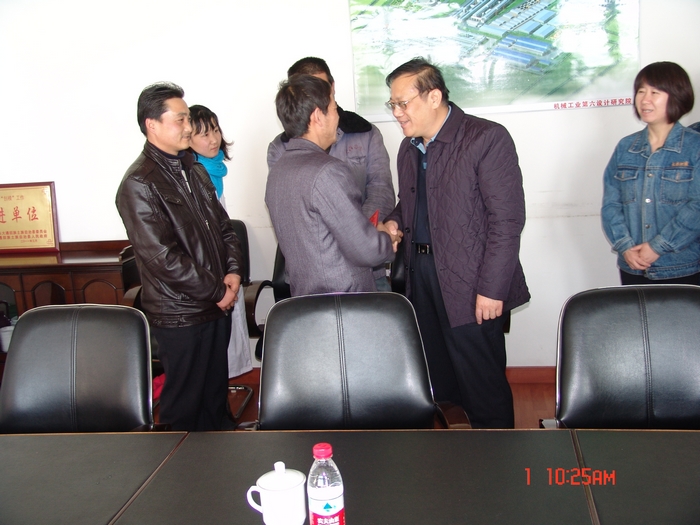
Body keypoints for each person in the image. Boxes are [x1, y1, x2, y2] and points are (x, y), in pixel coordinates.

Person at [383, 58, 530, 429]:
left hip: (472, 281)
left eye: (403, 103)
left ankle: (496, 456)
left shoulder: (485, 138)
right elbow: (411, 202)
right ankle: (455, 454)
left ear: (434, 97)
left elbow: (507, 221)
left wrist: (492, 289)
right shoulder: (409, 149)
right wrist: (395, 220)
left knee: (481, 384)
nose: (397, 113)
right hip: (422, 277)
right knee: (440, 381)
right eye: (393, 104)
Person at [116, 82, 243, 431]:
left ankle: (220, 457)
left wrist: (233, 272)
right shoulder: (139, 183)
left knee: (215, 400)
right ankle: (181, 465)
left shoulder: (194, 170)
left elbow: (225, 228)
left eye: (188, 119)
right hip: (181, 313)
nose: (189, 127)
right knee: (185, 408)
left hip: (216, 305)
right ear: (152, 124)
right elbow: (162, 257)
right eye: (180, 119)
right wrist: (217, 291)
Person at [267, 57, 395, 291]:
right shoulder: (327, 170)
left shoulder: (280, 170)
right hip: (343, 296)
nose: (337, 117)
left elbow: (380, 190)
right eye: (334, 109)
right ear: (318, 116)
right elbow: (364, 247)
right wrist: (387, 240)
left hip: (306, 294)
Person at [602, 61, 700, 285]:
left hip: (682, 268)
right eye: (641, 91)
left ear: (677, 96)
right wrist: (625, 246)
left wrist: (658, 247)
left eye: (655, 92)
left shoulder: (695, 147)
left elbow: (697, 207)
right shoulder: (626, 147)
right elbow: (611, 205)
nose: (645, 99)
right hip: (632, 267)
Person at [188, 104, 252, 380]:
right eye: (203, 134)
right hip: (207, 273)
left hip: (226, 267)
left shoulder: (213, 170)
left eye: (215, 130)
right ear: (187, 138)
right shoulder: (190, 175)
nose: (213, 139)